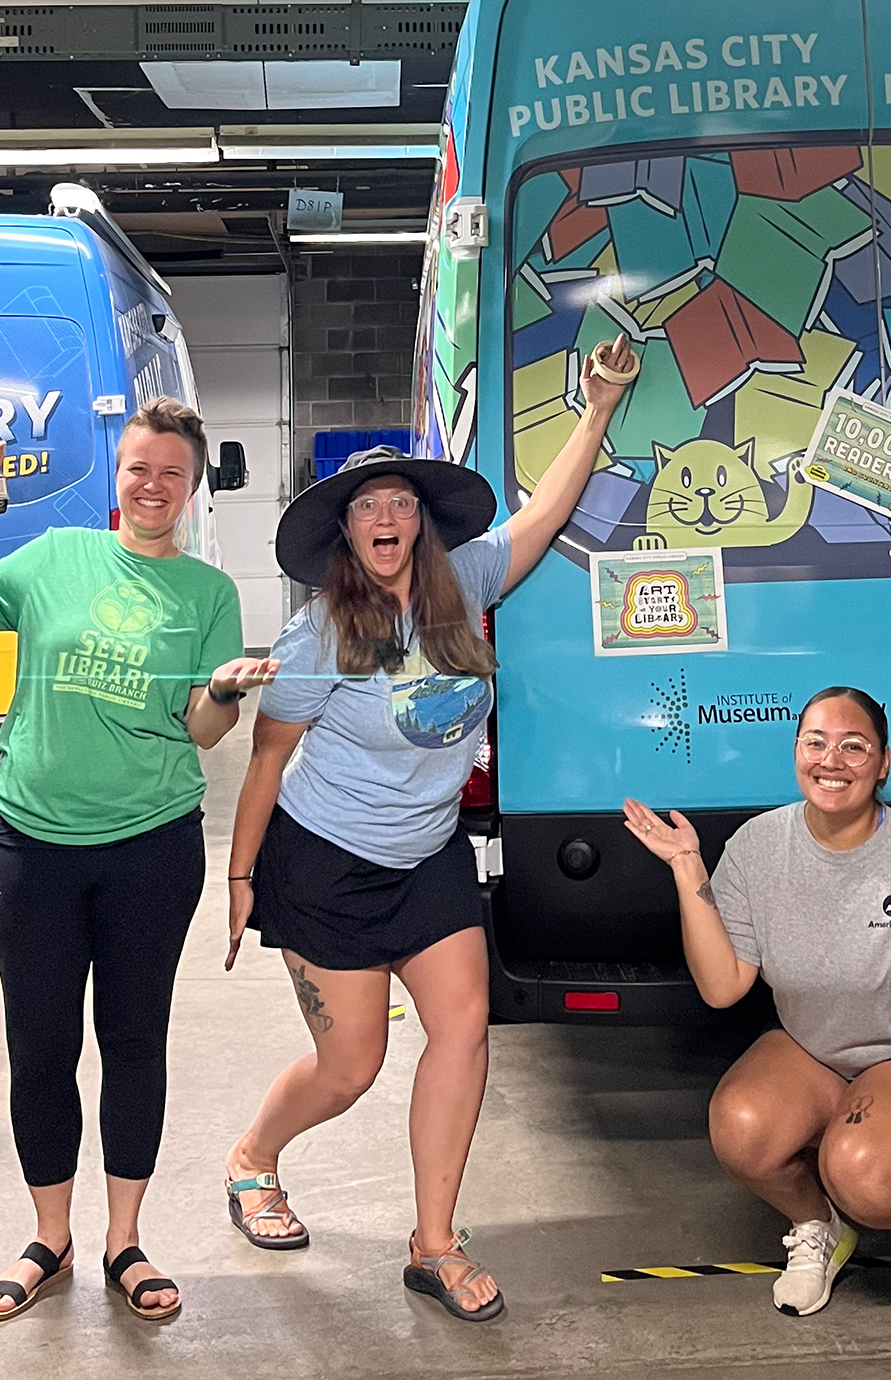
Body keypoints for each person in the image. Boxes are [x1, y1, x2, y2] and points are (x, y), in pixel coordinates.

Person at [218, 336, 637, 1322]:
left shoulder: (468, 585)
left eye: (401, 503)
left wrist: (599, 408)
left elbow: (547, 512)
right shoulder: (319, 634)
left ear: (422, 521)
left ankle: (433, 1242)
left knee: (460, 1031)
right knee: (350, 1066)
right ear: (346, 531)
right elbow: (267, 758)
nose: (387, 517)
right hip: (325, 865)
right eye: (368, 506)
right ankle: (252, 1157)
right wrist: (239, 881)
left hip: (429, 858)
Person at [0, 398, 276, 1323]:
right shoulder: (54, 558)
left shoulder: (208, 595)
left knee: (132, 1042)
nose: (153, 484)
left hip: (151, 848)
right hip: (30, 845)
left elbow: (203, 734)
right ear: (116, 475)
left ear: (194, 485)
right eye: (138, 467)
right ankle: (52, 1235)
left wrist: (218, 690)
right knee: (39, 1045)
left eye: (172, 470)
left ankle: (125, 1238)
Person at [624, 688, 891, 1329]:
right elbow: (723, 986)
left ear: (883, 763)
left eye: (854, 746)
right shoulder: (757, 845)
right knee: (742, 1129)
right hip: (817, 1044)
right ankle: (818, 1225)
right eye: (816, 743)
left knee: (863, 1172)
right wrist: (688, 866)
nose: (833, 760)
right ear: (797, 752)